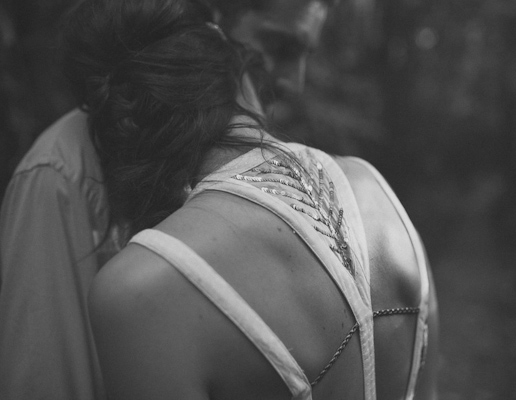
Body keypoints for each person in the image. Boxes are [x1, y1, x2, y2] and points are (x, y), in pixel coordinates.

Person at [63, 0, 439, 399]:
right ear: (235, 59)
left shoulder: (138, 290)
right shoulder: (377, 193)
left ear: (121, 119)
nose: (294, 83)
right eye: (280, 49)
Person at [0, 0, 338, 399]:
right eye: (279, 46)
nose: (294, 82)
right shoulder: (61, 173)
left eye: (306, 55)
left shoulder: (275, 172)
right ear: (213, 26)